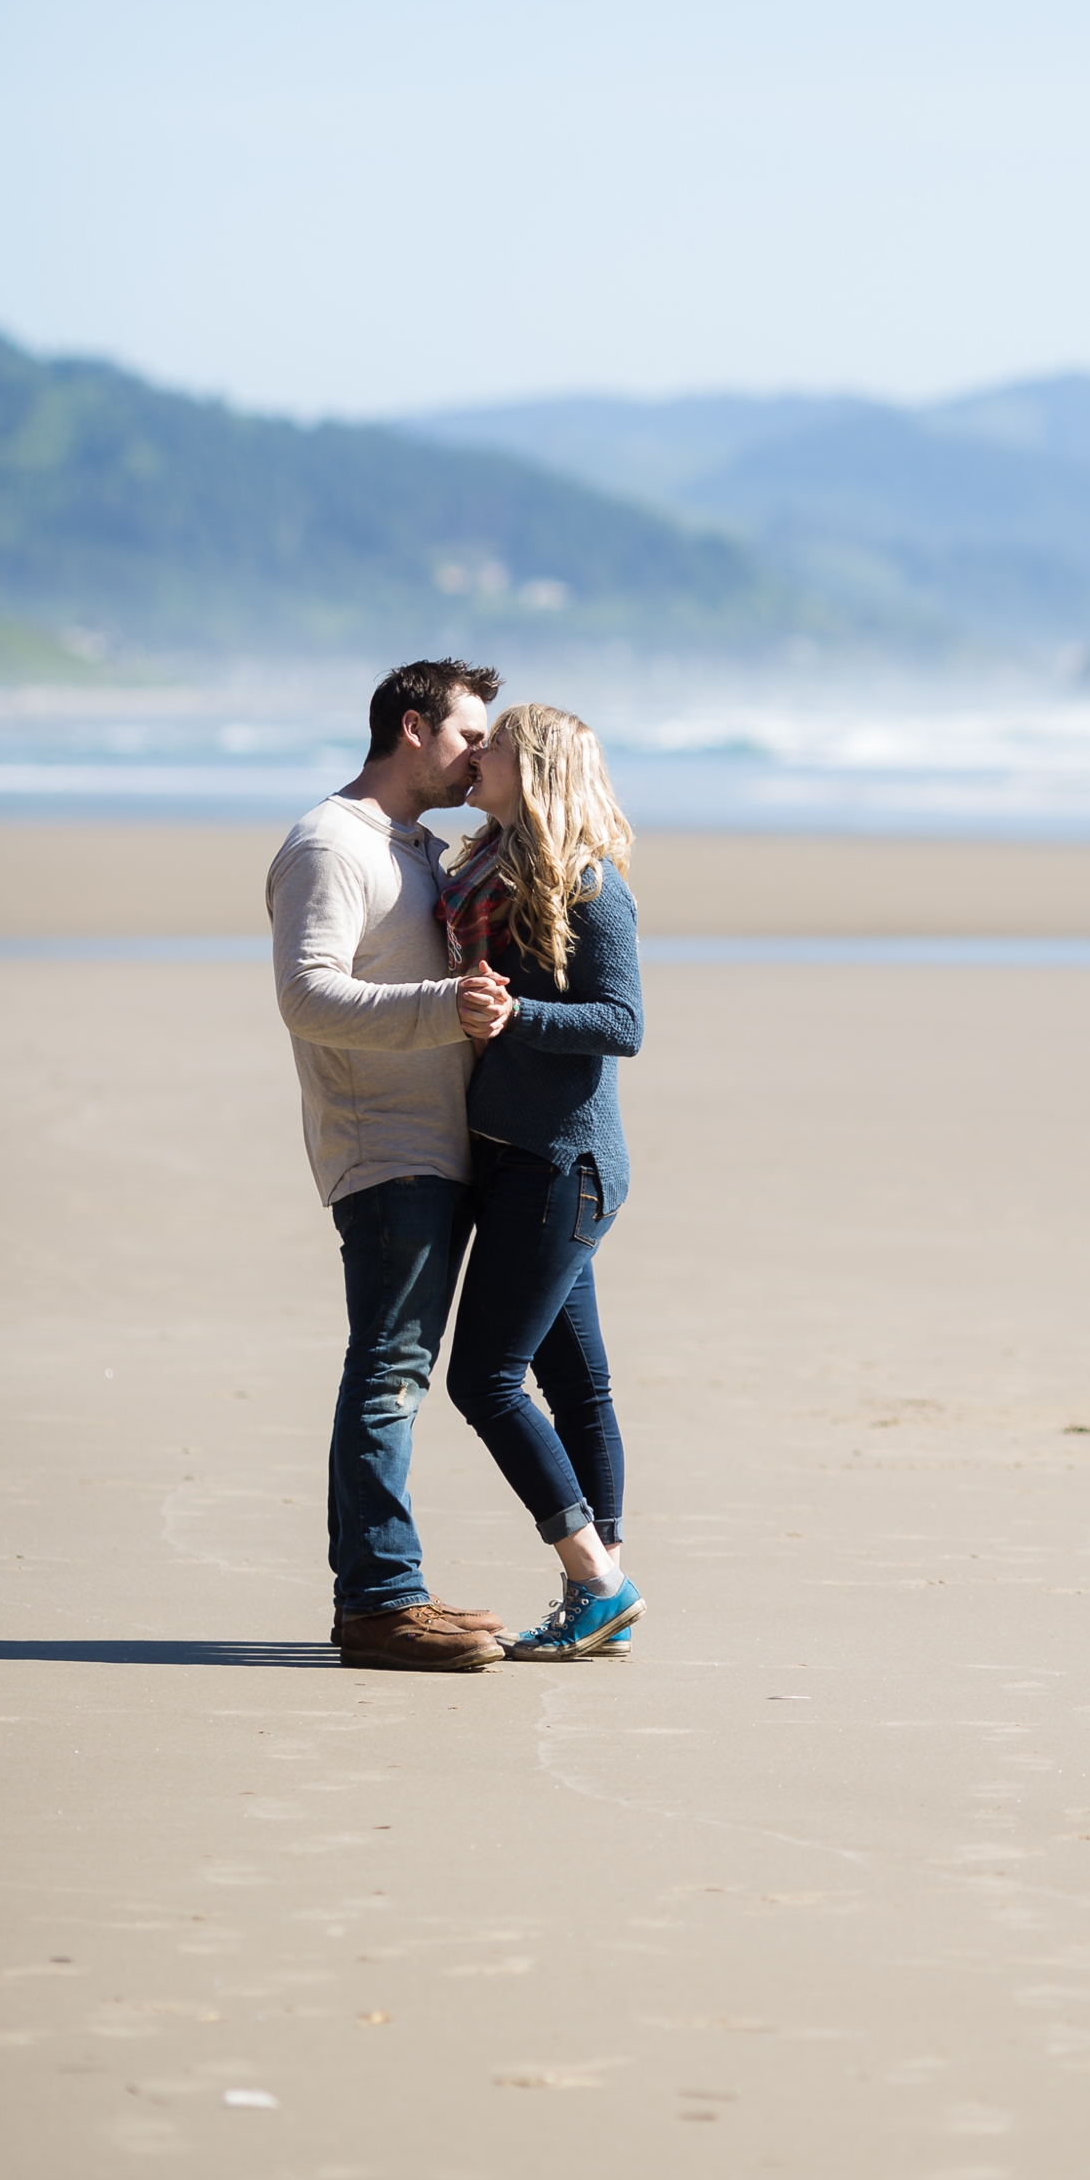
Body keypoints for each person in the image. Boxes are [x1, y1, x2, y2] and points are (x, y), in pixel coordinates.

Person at [267, 658, 519, 1672]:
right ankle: (380, 1600)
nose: (478, 757)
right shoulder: (330, 843)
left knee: (392, 1367)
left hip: (439, 1144)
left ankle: (379, 1588)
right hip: (383, 1146)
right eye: (468, 736)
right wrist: (447, 1007)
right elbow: (306, 995)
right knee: (390, 1370)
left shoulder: (415, 847)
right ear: (412, 729)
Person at [441, 701, 647, 1659]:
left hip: (563, 1167)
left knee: (483, 1379)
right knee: (575, 1385)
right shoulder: (489, 873)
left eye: (495, 745)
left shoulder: (592, 887)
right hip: (514, 1157)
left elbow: (623, 1024)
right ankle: (601, 1599)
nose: (476, 754)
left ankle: (597, 1581)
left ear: (538, 771)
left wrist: (515, 1015)